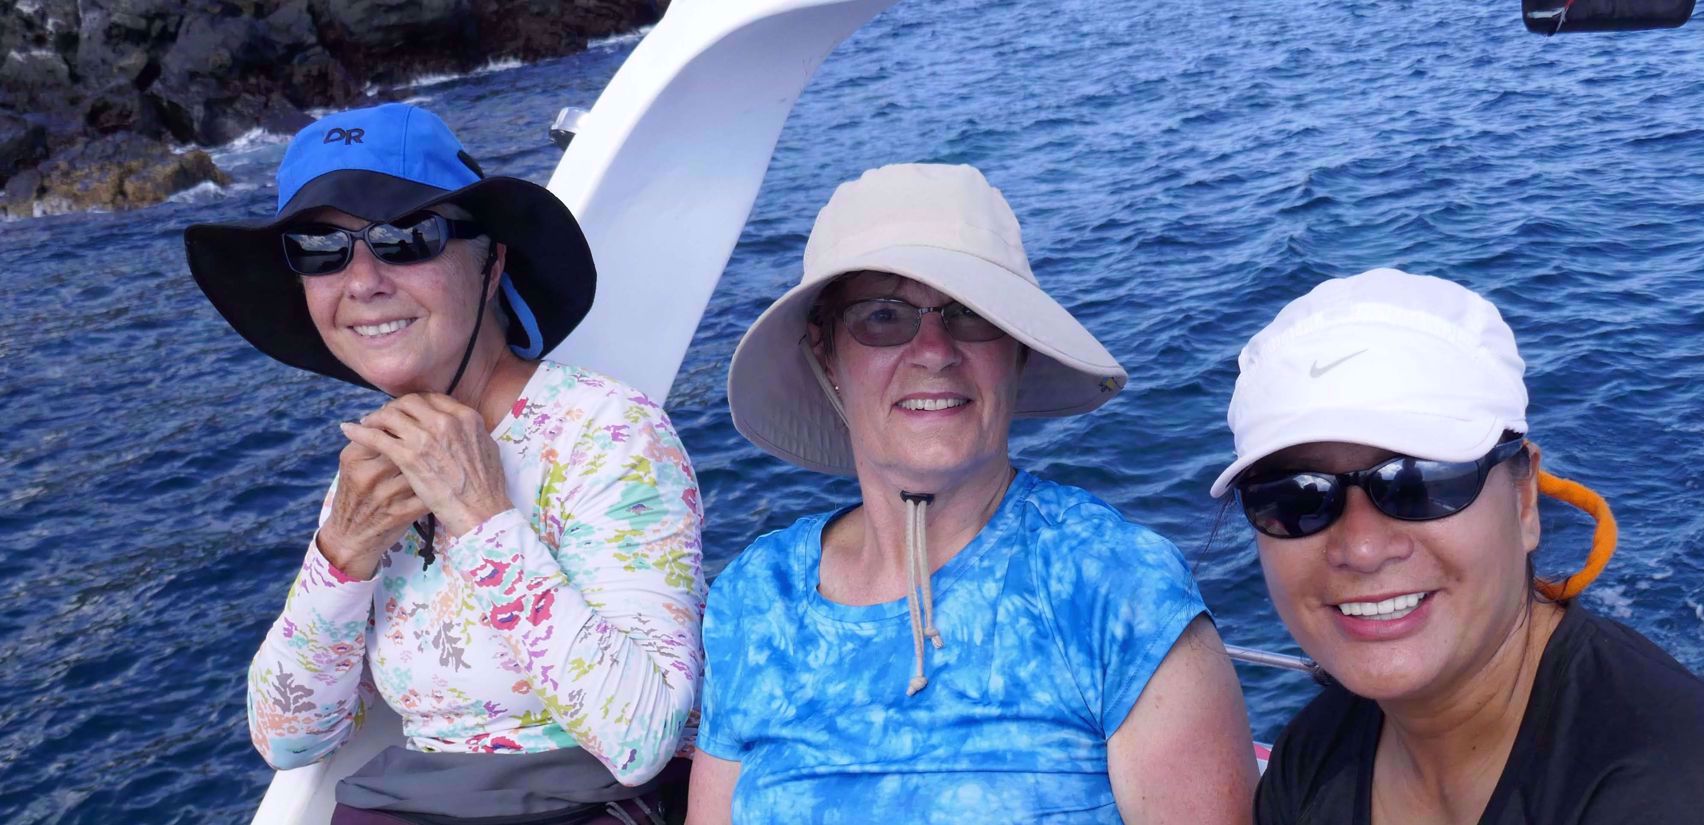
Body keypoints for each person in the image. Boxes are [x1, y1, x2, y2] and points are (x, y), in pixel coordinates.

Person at [686, 164, 1257, 824]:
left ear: (1014, 348)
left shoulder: (1116, 589)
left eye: (969, 314)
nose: (933, 349)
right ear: (826, 352)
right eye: (882, 316)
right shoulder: (754, 600)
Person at [185, 103, 705, 824]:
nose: (363, 279)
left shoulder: (607, 432)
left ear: (491, 264)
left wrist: (483, 519)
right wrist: (342, 553)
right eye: (319, 248)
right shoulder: (371, 468)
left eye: (407, 237)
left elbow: (644, 737)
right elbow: (287, 737)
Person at [1214, 268, 1704, 824]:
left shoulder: (1685, 797)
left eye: (1422, 483)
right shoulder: (1312, 760)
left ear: (1525, 500)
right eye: (1294, 499)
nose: (1363, 548)